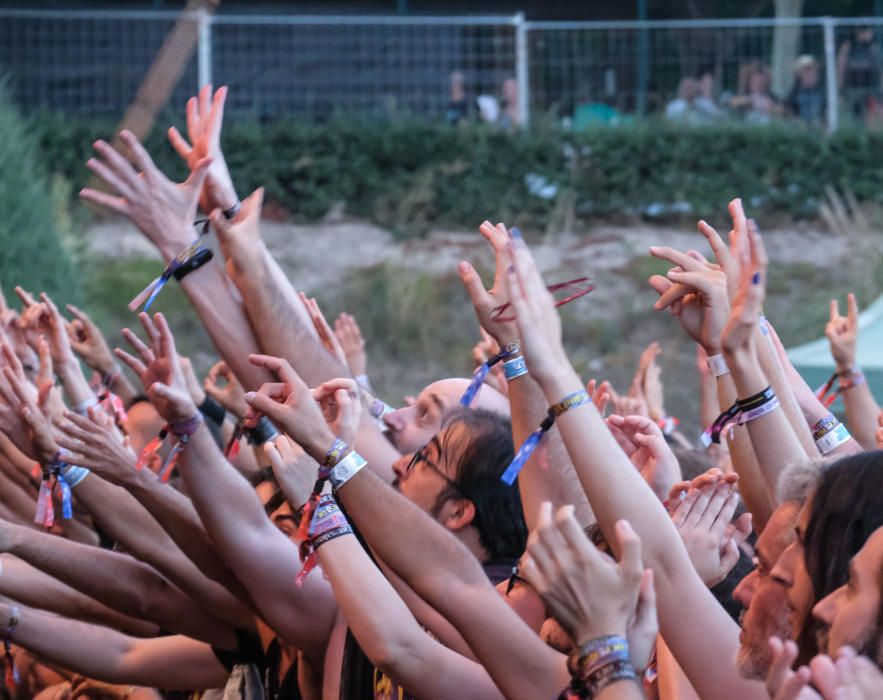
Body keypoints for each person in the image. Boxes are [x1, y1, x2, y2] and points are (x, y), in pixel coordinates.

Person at [837, 26, 883, 124]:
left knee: (872, 117)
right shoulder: (848, 47)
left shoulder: (873, 48)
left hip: (869, 89)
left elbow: (878, 71)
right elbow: (841, 68)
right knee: (853, 116)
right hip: (852, 89)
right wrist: (840, 88)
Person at [785, 55, 826, 126]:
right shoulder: (793, 95)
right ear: (799, 74)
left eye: (813, 71)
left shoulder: (823, 93)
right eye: (806, 71)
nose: (810, 75)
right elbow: (788, 115)